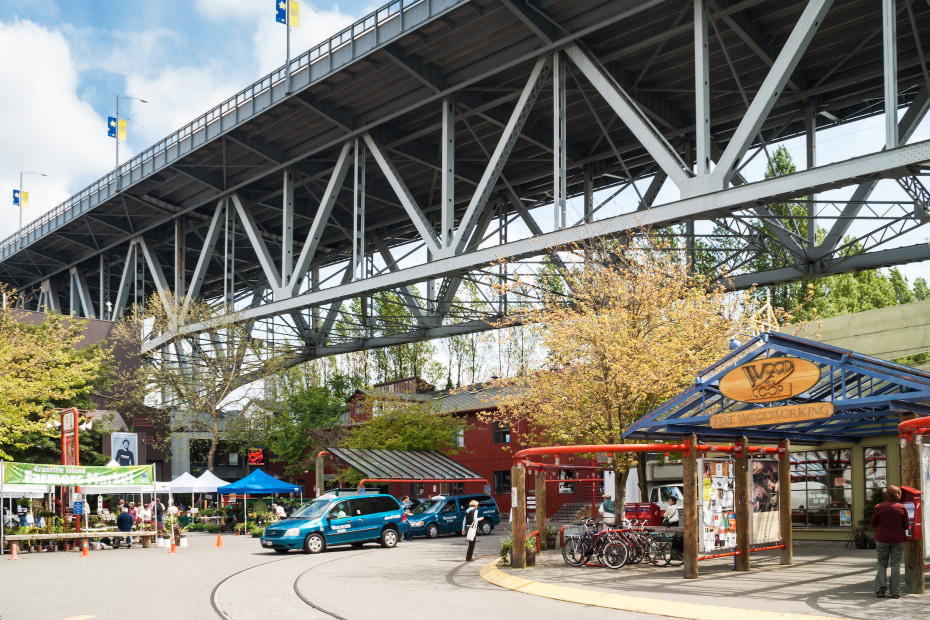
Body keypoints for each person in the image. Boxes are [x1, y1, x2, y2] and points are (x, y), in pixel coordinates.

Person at [871, 485, 909, 599]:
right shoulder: (902, 508)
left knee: (882, 563)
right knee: (895, 564)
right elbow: (906, 525)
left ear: (887, 494)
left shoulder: (879, 507)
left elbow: (872, 523)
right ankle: (895, 592)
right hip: (898, 539)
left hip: (882, 539)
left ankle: (880, 591)